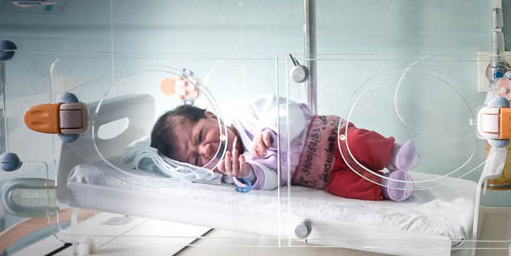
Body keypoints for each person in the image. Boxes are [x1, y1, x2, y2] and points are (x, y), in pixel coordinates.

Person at [150, 96, 419, 202]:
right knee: (346, 187)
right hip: (323, 176)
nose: (206, 149)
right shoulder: (236, 170)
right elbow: (273, 180)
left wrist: (270, 129)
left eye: (200, 136)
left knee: (358, 143)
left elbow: (289, 110)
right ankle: (386, 185)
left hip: (330, 139)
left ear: (212, 116)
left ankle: (392, 154)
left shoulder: (250, 115)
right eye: (196, 158)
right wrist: (248, 173)